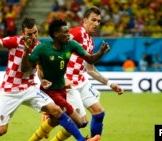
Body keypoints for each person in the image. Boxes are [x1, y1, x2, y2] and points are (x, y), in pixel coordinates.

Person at [0, 17, 94, 141]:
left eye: (35, 33)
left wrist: (41, 78)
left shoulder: (39, 46)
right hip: (10, 90)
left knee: (56, 110)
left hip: (30, 88)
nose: (33, 36)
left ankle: (81, 139)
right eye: (30, 34)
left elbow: (39, 68)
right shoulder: (15, 42)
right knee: (1, 130)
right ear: (23, 33)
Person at [21, 18, 110, 141]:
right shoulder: (42, 49)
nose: (69, 35)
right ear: (56, 35)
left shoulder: (71, 45)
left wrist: (101, 52)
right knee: (78, 123)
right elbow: (25, 68)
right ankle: (82, 140)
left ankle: (47, 120)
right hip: (50, 91)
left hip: (62, 89)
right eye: (66, 32)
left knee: (66, 121)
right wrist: (26, 51)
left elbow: (90, 59)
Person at [49, 6, 123, 141]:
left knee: (99, 113)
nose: (96, 24)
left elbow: (90, 69)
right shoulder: (76, 33)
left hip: (81, 81)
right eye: (93, 20)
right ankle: (53, 115)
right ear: (85, 20)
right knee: (81, 122)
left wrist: (110, 84)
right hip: (68, 83)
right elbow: (56, 45)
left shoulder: (90, 40)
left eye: (99, 21)